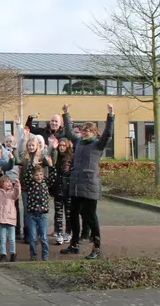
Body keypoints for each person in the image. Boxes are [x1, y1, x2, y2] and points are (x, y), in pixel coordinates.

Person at [60, 103, 115, 259]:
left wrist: (110, 116)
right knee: (73, 215)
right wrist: (66, 113)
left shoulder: (97, 144)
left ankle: (96, 247)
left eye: (88, 130)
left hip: (90, 185)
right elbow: (70, 132)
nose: (84, 133)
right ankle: (74, 245)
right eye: (83, 130)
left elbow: (108, 134)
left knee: (90, 216)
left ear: (94, 133)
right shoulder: (79, 143)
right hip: (76, 185)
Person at [0, 169, 20, 262]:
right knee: (2, 238)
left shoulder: (12, 193)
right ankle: (3, 254)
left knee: (12, 238)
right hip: (1, 219)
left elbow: (17, 194)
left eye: (9, 182)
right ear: (1, 184)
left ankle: (13, 254)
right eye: (6, 182)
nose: (9, 183)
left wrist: (17, 185)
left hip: (11, 218)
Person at [26, 165, 50, 261]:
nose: (39, 177)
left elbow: (52, 177)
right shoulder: (31, 184)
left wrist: (50, 165)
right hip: (32, 214)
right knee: (32, 237)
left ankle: (45, 256)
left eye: (41, 175)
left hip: (42, 214)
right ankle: (33, 255)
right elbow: (26, 177)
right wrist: (31, 163)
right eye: (36, 175)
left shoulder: (45, 184)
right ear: (33, 176)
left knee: (43, 237)